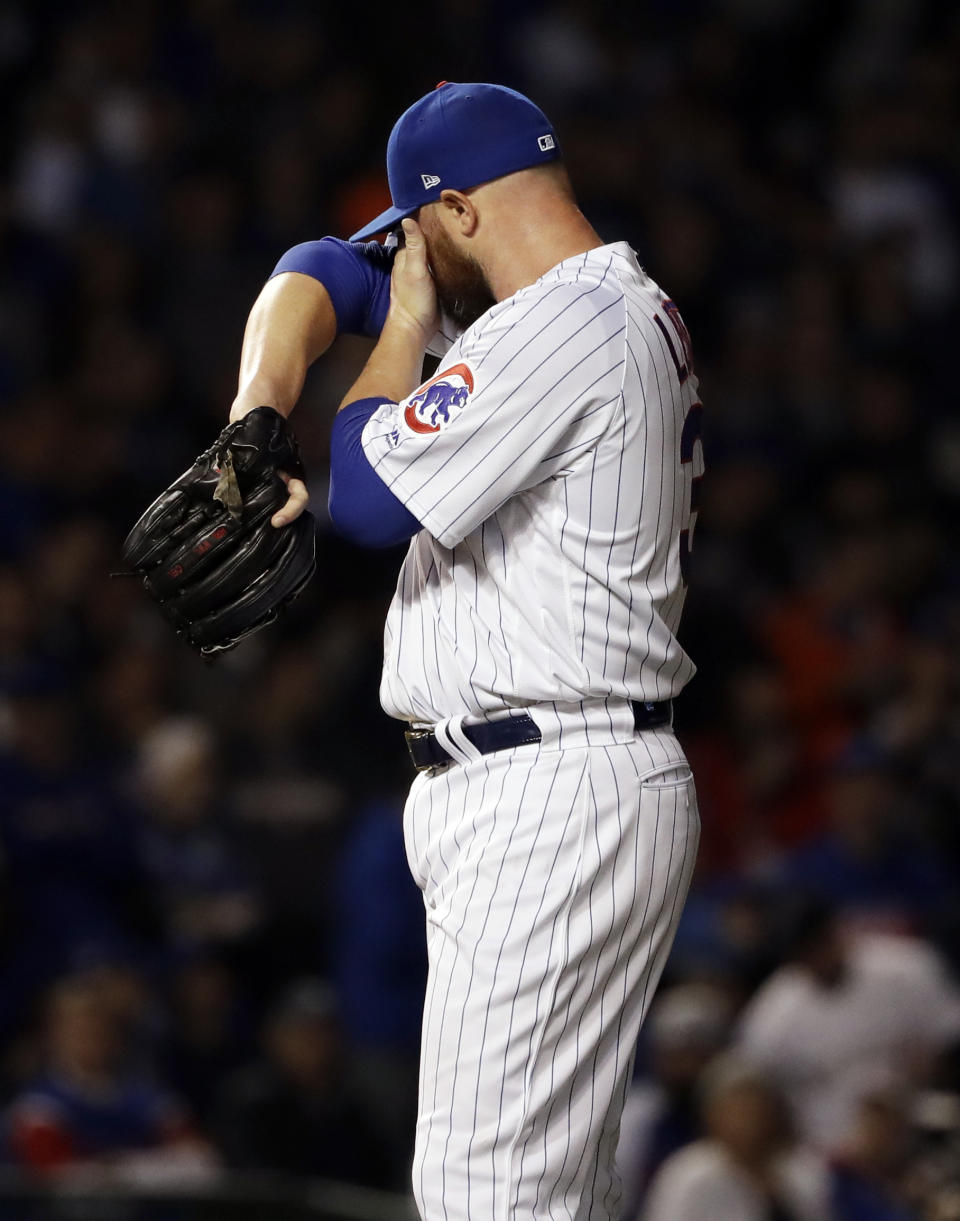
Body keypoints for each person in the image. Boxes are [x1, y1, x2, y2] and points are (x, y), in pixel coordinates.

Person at [229, 81, 703, 1221]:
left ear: (458, 210)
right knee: (542, 1198)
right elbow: (315, 266)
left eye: (417, 228)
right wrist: (259, 412)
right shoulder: (563, 307)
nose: (408, 257)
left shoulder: (567, 323)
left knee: (484, 1196)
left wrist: (397, 330)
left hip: (551, 785)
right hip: (560, 777)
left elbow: (373, 503)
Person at [641, 1055, 831, 1221]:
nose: (748, 1121)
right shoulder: (687, 1174)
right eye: (737, 1111)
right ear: (712, 1116)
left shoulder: (802, 1171)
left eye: (755, 1109)